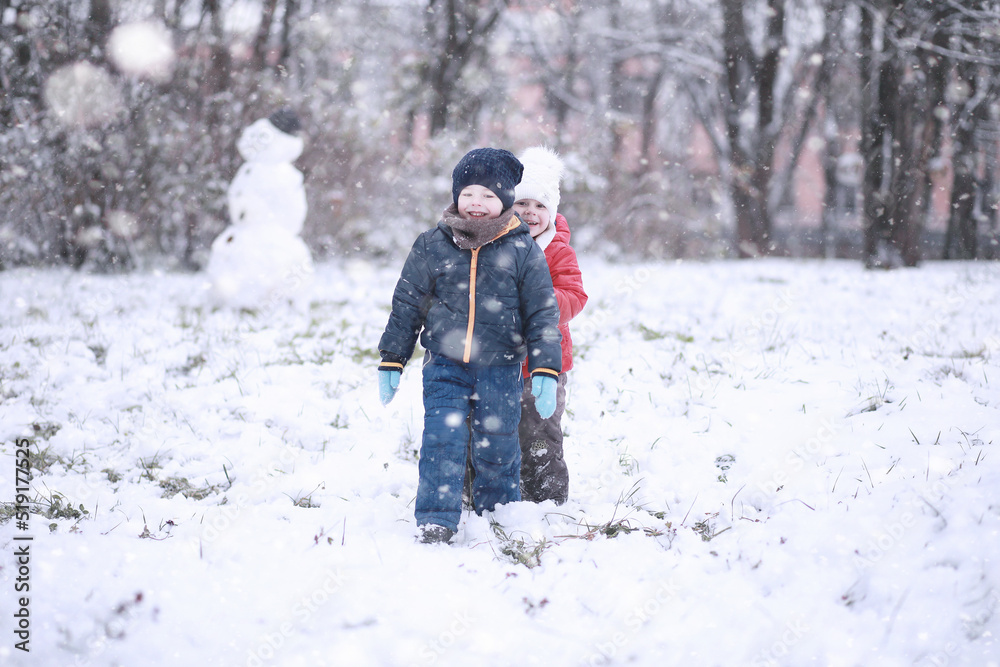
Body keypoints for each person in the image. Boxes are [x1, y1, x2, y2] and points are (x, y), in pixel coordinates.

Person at [377, 147, 563, 544]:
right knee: (442, 439)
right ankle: (436, 518)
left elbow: (543, 312)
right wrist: (393, 358)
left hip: (501, 366)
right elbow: (408, 302)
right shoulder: (432, 244)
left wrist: (547, 369)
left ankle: (497, 513)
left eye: (489, 196)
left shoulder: (521, 248)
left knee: (497, 440)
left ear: (505, 202)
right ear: (456, 195)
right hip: (445, 364)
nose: (476, 203)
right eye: (469, 193)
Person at [511, 146, 588, 504]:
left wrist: (538, 301)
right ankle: (496, 491)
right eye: (522, 203)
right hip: (500, 360)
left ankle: (547, 498)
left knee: (541, 432)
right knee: (494, 429)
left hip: (546, 365)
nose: (530, 212)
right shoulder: (496, 246)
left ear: (552, 212)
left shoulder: (557, 251)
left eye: (540, 206)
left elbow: (574, 295)